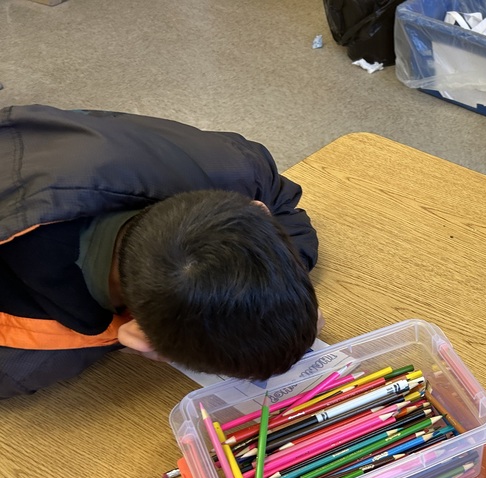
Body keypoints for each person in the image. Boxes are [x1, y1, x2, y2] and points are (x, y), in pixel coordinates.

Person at [0, 104, 321, 399]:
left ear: (254, 209)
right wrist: (112, 340)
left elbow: (284, 205)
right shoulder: (20, 364)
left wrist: (281, 304)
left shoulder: (231, 166)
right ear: (143, 340)